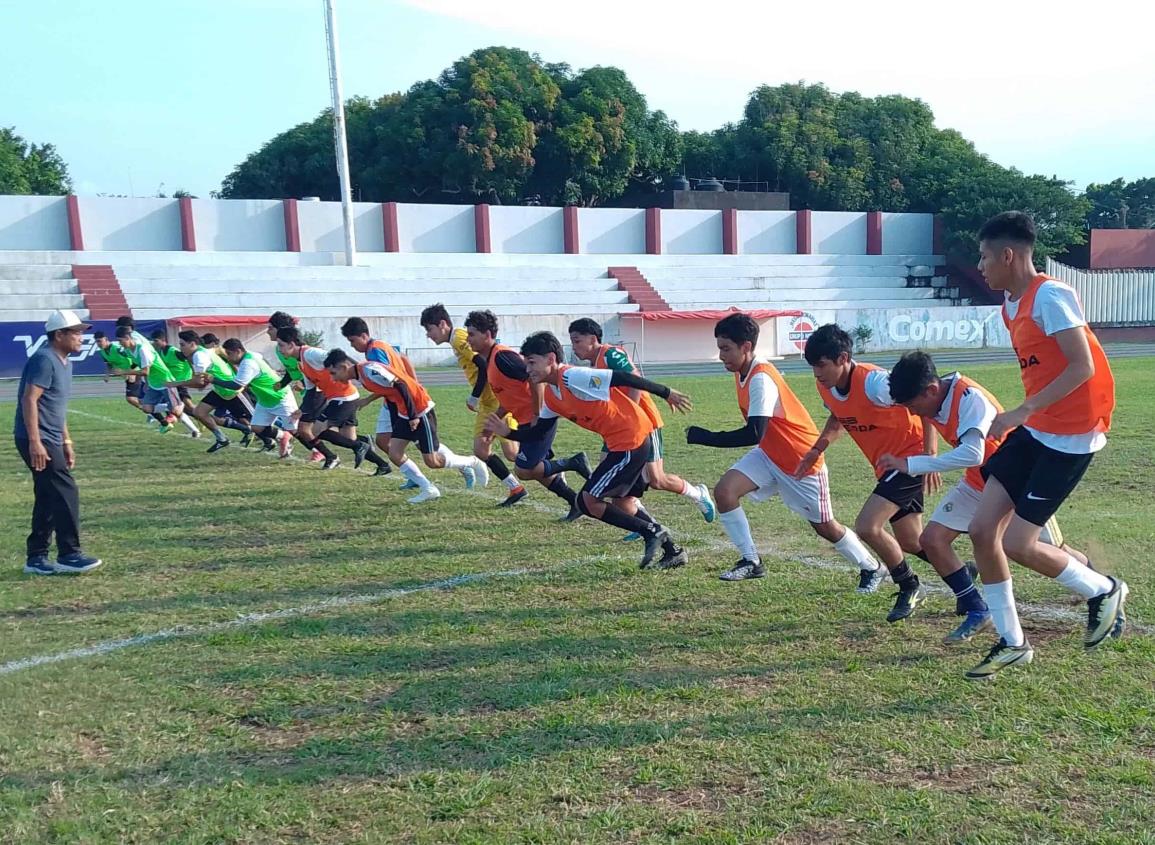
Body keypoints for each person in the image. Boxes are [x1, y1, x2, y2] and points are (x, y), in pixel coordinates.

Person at [961, 211, 1128, 679]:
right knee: (980, 531)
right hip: (1038, 430)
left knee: (1018, 542)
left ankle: (1102, 589)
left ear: (1008, 255)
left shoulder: (1050, 296)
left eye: (985, 257)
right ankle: (1012, 641)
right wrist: (1027, 417)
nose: (981, 266)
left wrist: (1020, 412)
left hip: (1072, 436)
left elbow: (1081, 367)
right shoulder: (1009, 306)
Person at [686, 314, 881, 584]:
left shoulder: (760, 379)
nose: (721, 356)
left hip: (800, 460)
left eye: (726, 348)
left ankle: (871, 567)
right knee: (725, 492)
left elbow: (755, 432)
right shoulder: (742, 369)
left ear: (746, 347)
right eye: (719, 348)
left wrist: (706, 437)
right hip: (770, 454)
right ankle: (751, 560)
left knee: (825, 527)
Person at [485, 331, 691, 570]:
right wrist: (508, 432)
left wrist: (666, 393)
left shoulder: (573, 376)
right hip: (619, 444)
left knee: (588, 502)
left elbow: (624, 377)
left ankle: (652, 531)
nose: (527, 369)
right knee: (623, 503)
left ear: (551, 359)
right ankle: (673, 551)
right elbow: (538, 431)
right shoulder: (551, 396)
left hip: (631, 440)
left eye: (532, 362)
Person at [797, 324, 941, 623]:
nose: (816, 374)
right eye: (813, 366)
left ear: (843, 358)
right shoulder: (825, 386)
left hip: (909, 459)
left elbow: (922, 402)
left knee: (867, 526)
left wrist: (929, 454)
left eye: (821, 365)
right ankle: (962, 573)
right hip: (887, 466)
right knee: (912, 542)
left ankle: (909, 585)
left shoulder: (877, 384)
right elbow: (839, 418)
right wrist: (817, 448)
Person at [569, 317, 715, 536]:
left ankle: (698, 494)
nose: (574, 347)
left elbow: (633, 379)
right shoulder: (593, 365)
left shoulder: (610, 354)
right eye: (572, 342)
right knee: (612, 482)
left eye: (577, 341)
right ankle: (645, 526)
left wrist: (631, 413)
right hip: (619, 431)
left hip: (644, 423)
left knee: (657, 479)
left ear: (593, 339)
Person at [465, 310, 587, 519]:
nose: (468, 339)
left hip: (538, 418)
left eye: (472, 334)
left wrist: (537, 414)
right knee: (537, 470)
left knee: (525, 469)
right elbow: (510, 396)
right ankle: (575, 502)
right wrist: (495, 418)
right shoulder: (491, 361)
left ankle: (573, 463)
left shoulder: (502, 357)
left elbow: (534, 379)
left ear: (487, 334)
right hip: (523, 419)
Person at [324, 348, 488, 503]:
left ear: (344, 367)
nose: (333, 378)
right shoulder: (362, 374)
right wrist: (370, 401)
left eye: (333, 373)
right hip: (405, 412)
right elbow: (389, 389)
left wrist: (412, 415)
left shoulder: (369, 369)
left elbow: (401, 384)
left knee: (432, 461)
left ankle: (472, 462)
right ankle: (428, 489)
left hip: (419, 410)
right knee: (395, 453)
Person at [13, 310, 102, 575]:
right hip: (38, 438)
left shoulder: (65, 362)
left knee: (48, 494)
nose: (80, 338)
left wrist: (67, 441)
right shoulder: (44, 359)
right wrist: (35, 442)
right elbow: (30, 399)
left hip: (52, 438)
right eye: (75, 333)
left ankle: (36, 557)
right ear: (59, 335)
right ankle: (69, 554)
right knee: (66, 492)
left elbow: (57, 407)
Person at [421, 303, 528, 506]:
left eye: (429, 329)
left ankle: (555, 469)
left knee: (493, 451)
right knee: (500, 452)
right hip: (492, 400)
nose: (429, 335)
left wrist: (474, 396)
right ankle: (517, 487)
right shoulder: (458, 339)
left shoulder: (460, 338)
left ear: (443, 324)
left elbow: (481, 363)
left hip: (494, 401)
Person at [276, 326, 391, 474]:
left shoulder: (310, 354)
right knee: (349, 438)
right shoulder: (301, 363)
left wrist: (360, 369)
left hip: (343, 398)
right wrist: (302, 410)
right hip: (344, 398)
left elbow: (337, 356)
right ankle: (383, 465)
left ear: (292, 344)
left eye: (281, 345)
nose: (279, 349)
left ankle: (356, 447)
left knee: (317, 430)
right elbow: (311, 391)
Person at [340, 317, 419, 485]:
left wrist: (367, 399)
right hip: (390, 401)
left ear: (363, 335)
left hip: (400, 401)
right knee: (382, 441)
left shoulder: (375, 351)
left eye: (352, 341)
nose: (352, 345)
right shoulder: (379, 346)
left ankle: (464, 464)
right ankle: (414, 476)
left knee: (424, 446)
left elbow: (388, 381)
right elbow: (403, 358)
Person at [196, 339, 295, 459]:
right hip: (263, 398)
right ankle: (282, 436)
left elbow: (237, 385)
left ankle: (318, 451)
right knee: (256, 427)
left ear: (238, 351)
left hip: (278, 396)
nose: (228, 357)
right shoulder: (247, 357)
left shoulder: (248, 362)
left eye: (229, 354)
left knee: (298, 430)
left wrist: (213, 380)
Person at [173, 330, 264, 453]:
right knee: (199, 412)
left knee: (256, 420)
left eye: (182, 344)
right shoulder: (201, 352)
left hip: (232, 390)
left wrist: (174, 384)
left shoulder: (199, 355)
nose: (181, 348)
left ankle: (281, 436)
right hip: (220, 390)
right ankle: (222, 439)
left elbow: (199, 382)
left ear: (192, 344)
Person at [114, 326, 200, 436]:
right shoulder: (128, 350)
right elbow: (139, 366)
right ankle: (176, 405)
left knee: (176, 412)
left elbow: (145, 371)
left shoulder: (143, 350)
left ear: (127, 338)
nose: (120, 343)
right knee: (146, 408)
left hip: (165, 381)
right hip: (154, 383)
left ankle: (191, 425)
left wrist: (123, 372)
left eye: (120, 340)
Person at [93, 330, 146, 417]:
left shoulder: (118, 348)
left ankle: (151, 411)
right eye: (96, 342)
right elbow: (109, 364)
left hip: (135, 373)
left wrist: (131, 372)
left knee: (131, 398)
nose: (98, 343)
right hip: (127, 375)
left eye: (100, 341)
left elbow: (134, 358)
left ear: (106, 339)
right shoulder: (102, 351)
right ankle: (151, 410)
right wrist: (107, 375)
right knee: (139, 397)